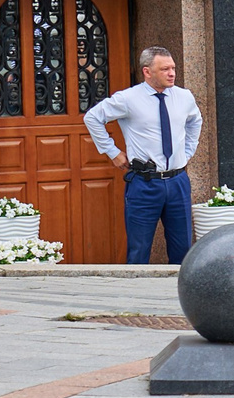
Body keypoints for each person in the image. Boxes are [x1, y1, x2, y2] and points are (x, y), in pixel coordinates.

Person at [83, 46, 203, 264]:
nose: (172, 73)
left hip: (178, 181)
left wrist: (188, 151)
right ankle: (138, 296)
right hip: (144, 184)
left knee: (183, 251)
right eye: (165, 69)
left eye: (173, 68)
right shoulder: (128, 99)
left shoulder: (184, 97)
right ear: (147, 72)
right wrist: (112, 151)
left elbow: (196, 121)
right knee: (139, 251)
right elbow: (93, 118)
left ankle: (177, 297)